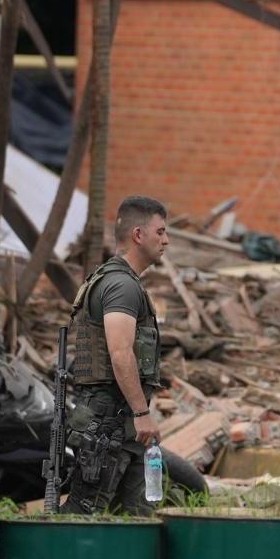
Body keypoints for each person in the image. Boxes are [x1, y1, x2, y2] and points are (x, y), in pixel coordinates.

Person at [62, 195, 168, 515]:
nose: (166, 240)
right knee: (84, 514)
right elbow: (120, 352)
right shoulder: (121, 285)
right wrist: (141, 412)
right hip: (109, 422)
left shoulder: (117, 280)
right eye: (160, 232)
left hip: (121, 423)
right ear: (138, 235)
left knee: (138, 515)